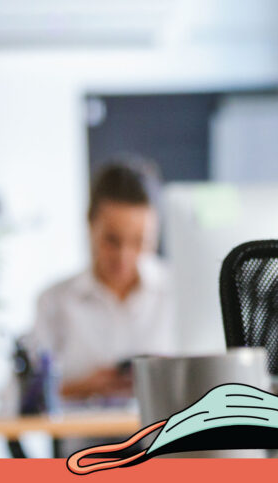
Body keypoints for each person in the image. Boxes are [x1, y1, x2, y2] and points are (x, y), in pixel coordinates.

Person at [25, 159, 177, 401]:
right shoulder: (55, 301)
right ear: (90, 225)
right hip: (87, 437)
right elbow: (20, 398)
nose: (125, 256)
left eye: (139, 242)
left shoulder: (179, 292)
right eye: (112, 240)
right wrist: (81, 387)